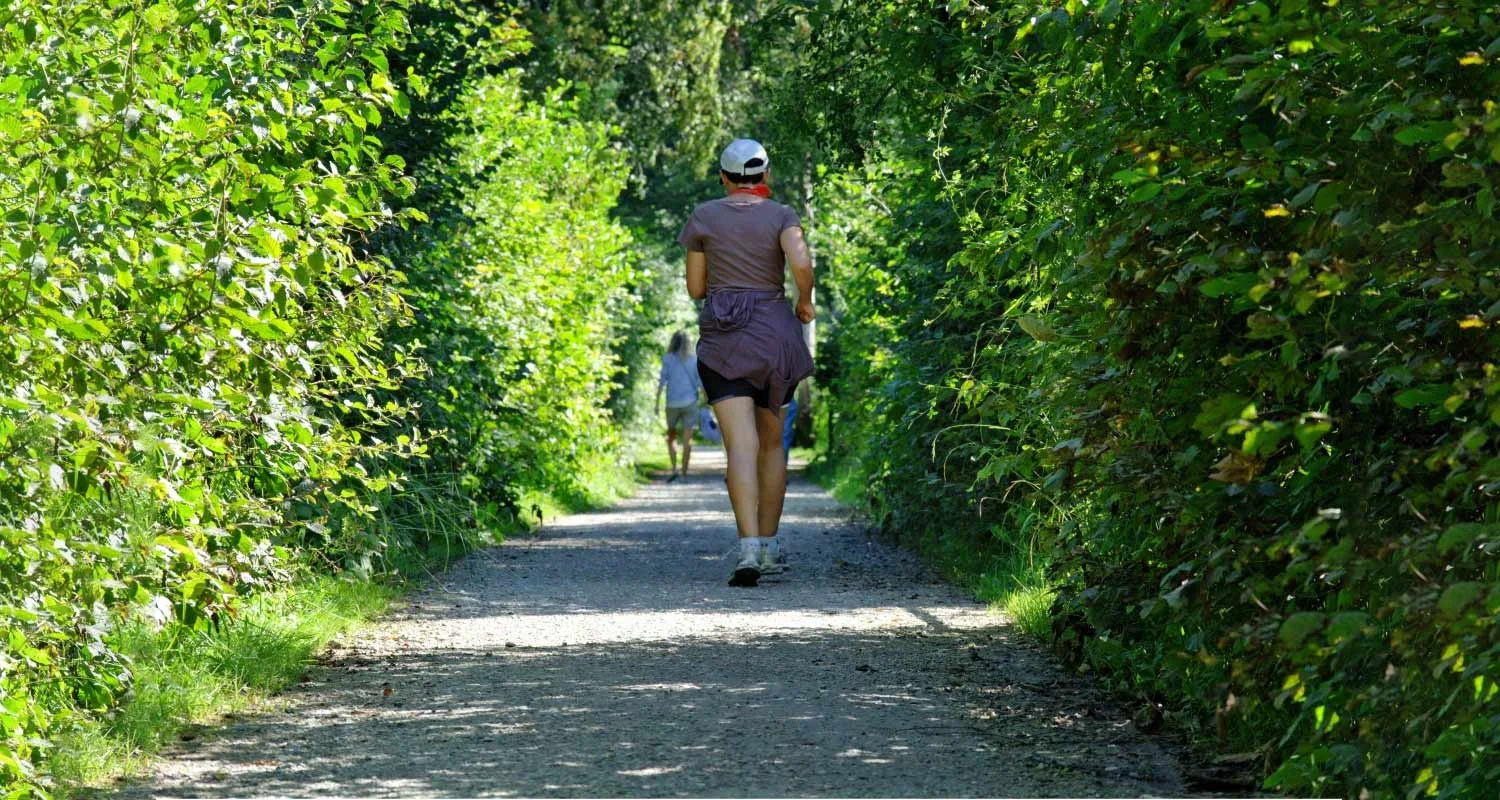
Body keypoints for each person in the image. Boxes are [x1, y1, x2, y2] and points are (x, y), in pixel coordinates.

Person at [679, 138, 815, 587]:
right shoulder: (782, 215)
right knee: (772, 445)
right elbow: (800, 260)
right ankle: (771, 547)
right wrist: (805, 301)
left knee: (740, 447)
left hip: (725, 340)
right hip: (775, 339)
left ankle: (748, 550)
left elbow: (696, 289)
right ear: (765, 176)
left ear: (723, 177)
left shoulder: (704, 216)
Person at [655, 330, 703, 481]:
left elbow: (662, 381)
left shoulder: (667, 359)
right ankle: (684, 473)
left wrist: (656, 402)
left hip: (672, 403)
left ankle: (674, 468)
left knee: (671, 436)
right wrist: (706, 398)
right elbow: (700, 382)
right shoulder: (694, 360)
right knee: (687, 439)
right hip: (690, 402)